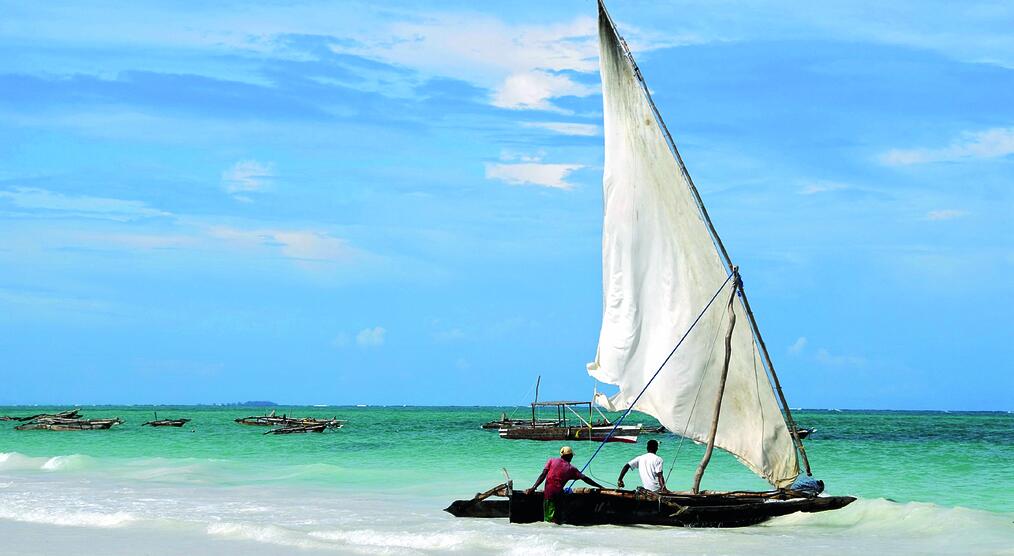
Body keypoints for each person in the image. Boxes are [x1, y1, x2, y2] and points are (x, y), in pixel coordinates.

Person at [526, 446, 604, 523]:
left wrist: (533, 487)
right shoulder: (571, 468)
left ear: (561, 455)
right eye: (572, 456)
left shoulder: (551, 461)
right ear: (570, 456)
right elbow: (585, 478)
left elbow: (542, 475)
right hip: (559, 496)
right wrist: (599, 486)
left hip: (549, 494)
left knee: (549, 518)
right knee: (555, 519)